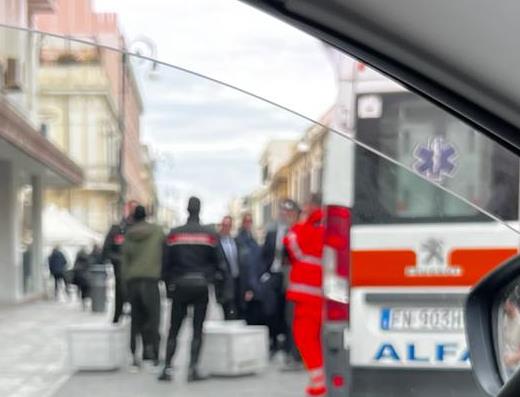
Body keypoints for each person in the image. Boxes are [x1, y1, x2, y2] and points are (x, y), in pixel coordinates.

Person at [159, 197, 223, 382]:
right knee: (197, 328)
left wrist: (168, 285)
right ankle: (193, 368)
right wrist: (212, 281)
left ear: (187, 210)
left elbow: (165, 263)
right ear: (199, 210)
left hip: (179, 285)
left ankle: (167, 368)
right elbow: (219, 263)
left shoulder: (174, 234)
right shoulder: (210, 234)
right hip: (201, 286)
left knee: (174, 328)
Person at [283, 193, 326, 397]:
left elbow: (292, 244)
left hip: (305, 292)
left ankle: (318, 382)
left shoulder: (307, 226)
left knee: (304, 336)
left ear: (310, 206)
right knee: (317, 337)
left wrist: (298, 223)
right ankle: (318, 379)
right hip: (322, 292)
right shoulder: (328, 224)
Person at [122, 205, 164, 369]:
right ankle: (154, 355)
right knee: (154, 319)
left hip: (133, 281)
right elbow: (165, 251)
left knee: (135, 320)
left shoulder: (128, 234)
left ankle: (134, 356)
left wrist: (125, 283)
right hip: (151, 280)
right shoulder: (158, 231)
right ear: (146, 215)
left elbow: (124, 261)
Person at [261, 198, 301, 358]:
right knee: (271, 310)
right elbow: (264, 256)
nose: (285, 214)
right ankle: (273, 342)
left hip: (290, 276)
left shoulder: (296, 231)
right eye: (283, 211)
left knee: (289, 312)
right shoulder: (272, 233)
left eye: (289, 211)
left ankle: (287, 346)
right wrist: (263, 274)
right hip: (274, 274)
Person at [102, 201, 138, 323]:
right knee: (120, 295)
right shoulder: (116, 230)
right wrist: (120, 259)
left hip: (138, 274)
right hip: (120, 272)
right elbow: (106, 251)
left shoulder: (142, 231)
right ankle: (117, 316)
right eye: (131, 208)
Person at [236, 213, 264, 326]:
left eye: (250, 221)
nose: (248, 224)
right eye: (246, 221)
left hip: (253, 284)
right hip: (244, 284)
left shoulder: (253, 240)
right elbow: (244, 265)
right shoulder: (239, 240)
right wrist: (248, 288)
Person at [216, 215, 245, 320]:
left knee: (236, 308)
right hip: (224, 281)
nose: (226, 228)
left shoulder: (235, 242)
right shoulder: (217, 242)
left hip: (237, 279)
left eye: (228, 225)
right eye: (224, 225)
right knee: (228, 308)